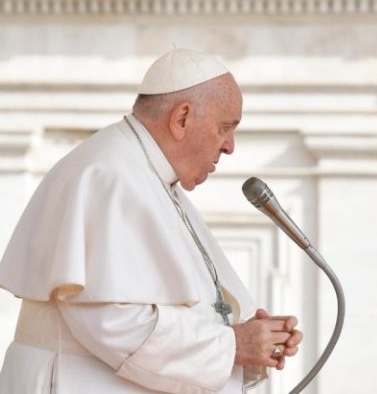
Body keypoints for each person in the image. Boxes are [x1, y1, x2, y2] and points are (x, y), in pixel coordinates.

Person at [0, 48, 303, 392]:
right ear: (182, 118)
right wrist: (232, 345)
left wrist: (252, 336)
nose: (229, 146)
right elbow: (114, 323)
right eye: (224, 128)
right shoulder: (108, 176)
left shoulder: (150, 176)